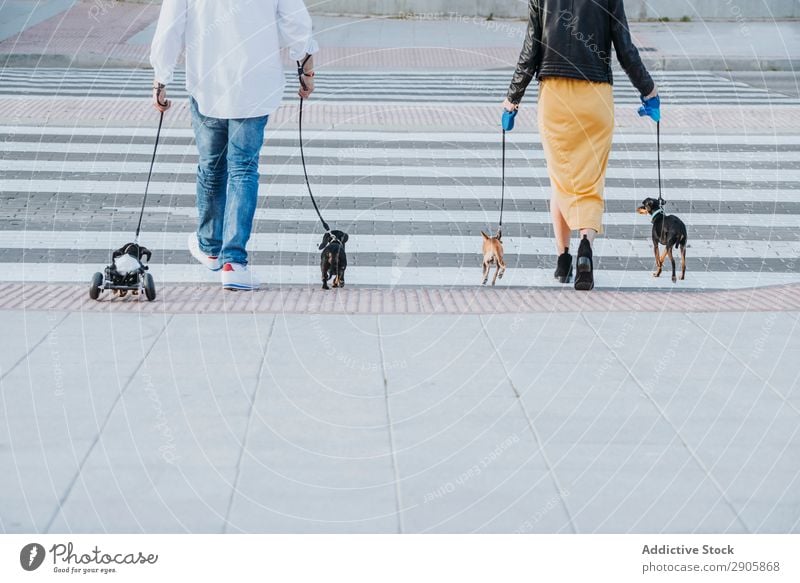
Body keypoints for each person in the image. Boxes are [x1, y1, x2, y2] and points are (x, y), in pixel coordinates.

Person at [150, 0, 318, 290]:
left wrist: (160, 78)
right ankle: (234, 262)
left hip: (208, 81)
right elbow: (295, 20)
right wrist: (305, 64)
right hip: (254, 83)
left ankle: (211, 247)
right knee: (243, 169)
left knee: (211, 165)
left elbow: (170, 27)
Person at [503, 0, 660, 290]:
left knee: (560, 180)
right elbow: (626, 50)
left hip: (555, 95)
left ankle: (563, 259)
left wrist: (513, 99)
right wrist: (648, 91)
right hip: (596, 96)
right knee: (590, 182)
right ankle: (585, 244)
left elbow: (530, 50)